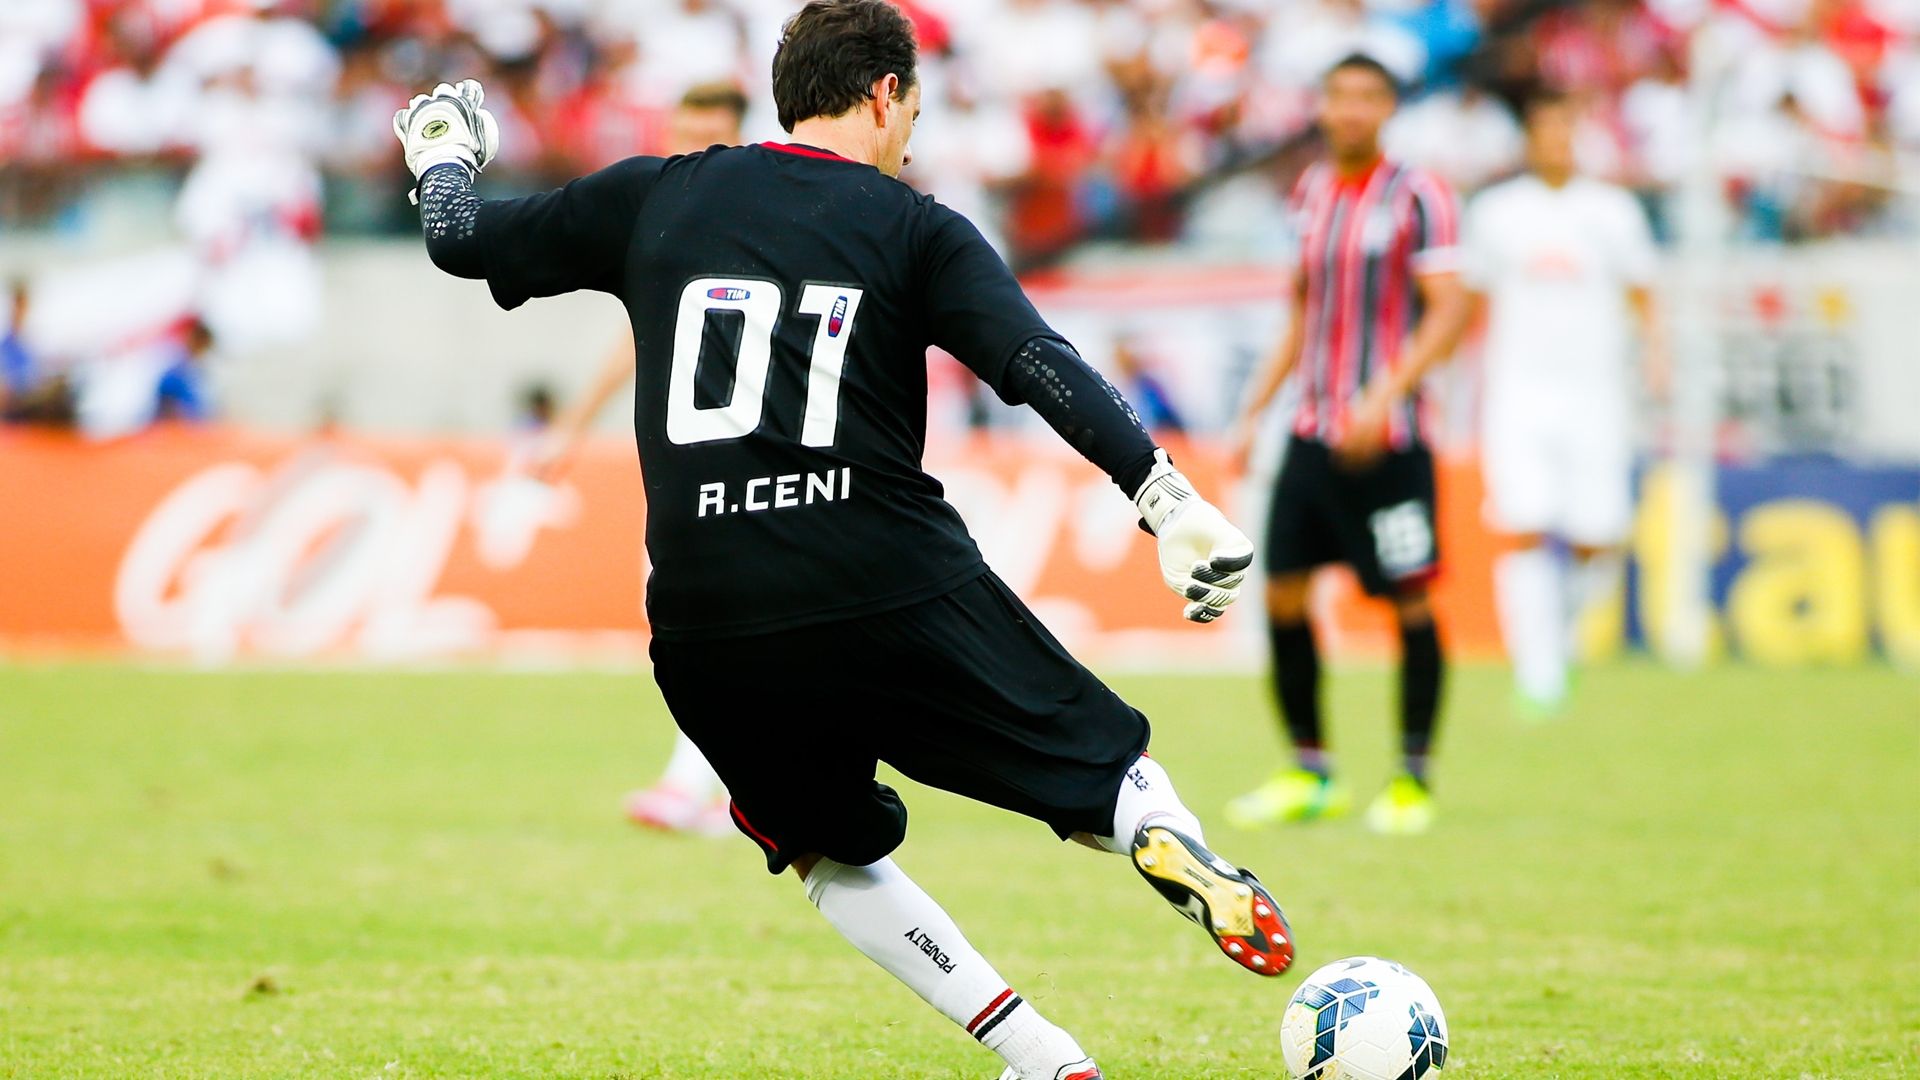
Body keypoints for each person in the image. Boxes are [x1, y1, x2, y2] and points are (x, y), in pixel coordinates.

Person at [394, 5, 1291, 1077]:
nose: (911, 128)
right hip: (886, 571)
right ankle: (1146, 828)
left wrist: (442, 151)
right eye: (912, 104)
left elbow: (457, 238)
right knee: (1103, 765)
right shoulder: (917, 225)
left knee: (819, 847)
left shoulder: (656, 193)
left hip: (707, 610)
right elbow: (1034, 362)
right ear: (882, 96)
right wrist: (1161, 492)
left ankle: (1041, 1057)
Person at [1224, 54, 1473, 837]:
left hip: (1390, 440)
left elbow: (1449, 311)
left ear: (1388, 108)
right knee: (1284, 595)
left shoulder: (1419, 195)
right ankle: (1310, 769)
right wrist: (1255, 407)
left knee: (1410, 597)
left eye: (1368, 97)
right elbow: (1305, 313)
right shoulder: (1309, 192)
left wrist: (1386, 394)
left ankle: (1413, 778)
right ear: (1322, 107)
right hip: (1312, 431)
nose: (1352, 110)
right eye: (1340, 96)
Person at [522, 81, 752, 836]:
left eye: (707, 133)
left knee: (711, 620)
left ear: (738, 137)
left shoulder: (761, 217)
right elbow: (637, 339)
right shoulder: (666, 219)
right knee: (720, 625)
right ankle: (733, 790)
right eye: (681, 132)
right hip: (691, 460)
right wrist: (572, 429)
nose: (689, 148)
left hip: (758, 452)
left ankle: (696, 787)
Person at [1462, 90, 1666, 718]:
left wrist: (1658, 361)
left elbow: (1642, 293)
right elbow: (1472, 300)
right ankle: (1538, 671)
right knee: (1523, 524)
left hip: (1595, 389)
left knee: (1596, 537)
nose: (1554, 142)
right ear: (1528, 139)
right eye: (1542, 131)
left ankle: (1564, 642)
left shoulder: (1613, 211)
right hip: (1518, 389)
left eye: (1564, 130)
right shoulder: (1497, 212)